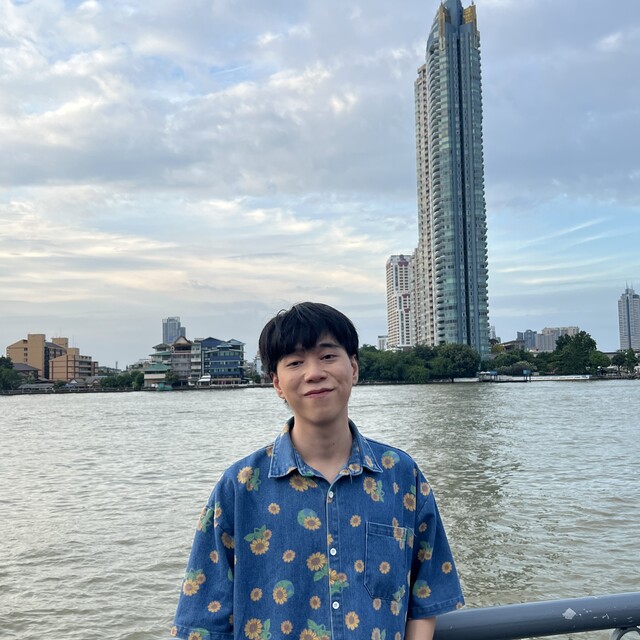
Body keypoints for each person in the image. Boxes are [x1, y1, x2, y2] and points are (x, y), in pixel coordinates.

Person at [172, 302, 464, 640]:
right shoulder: (239, 487)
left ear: (353, 368)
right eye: (295, 362)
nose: (314, 373)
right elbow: (203, 621)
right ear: (277, 383)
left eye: (327, 356)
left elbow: (426, 595)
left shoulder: (401, 476)